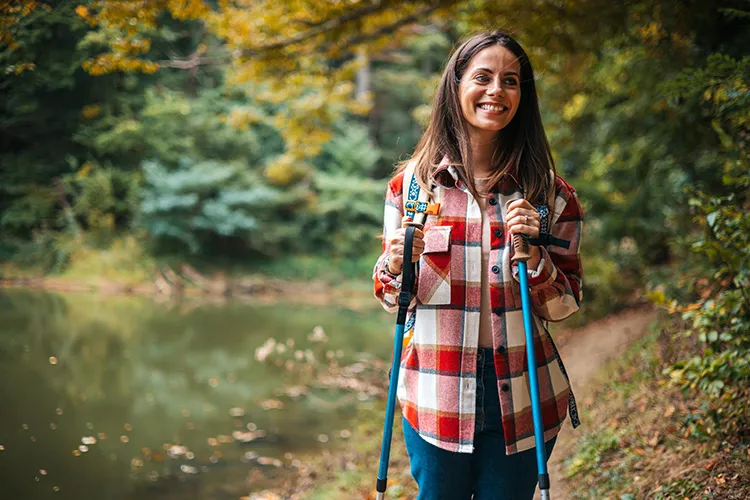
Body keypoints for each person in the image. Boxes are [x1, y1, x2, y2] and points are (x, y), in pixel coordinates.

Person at [372, 31, 584, 499]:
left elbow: (567, 304)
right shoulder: (410, 189)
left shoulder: (549, 194)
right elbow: (392, 299)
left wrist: (537, 258)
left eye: (511, 81)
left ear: (522, 97)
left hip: (525, 392)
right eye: (483, 77)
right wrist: (393, 263)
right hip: (435, 390)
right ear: (456, 86)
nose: (496, 91)